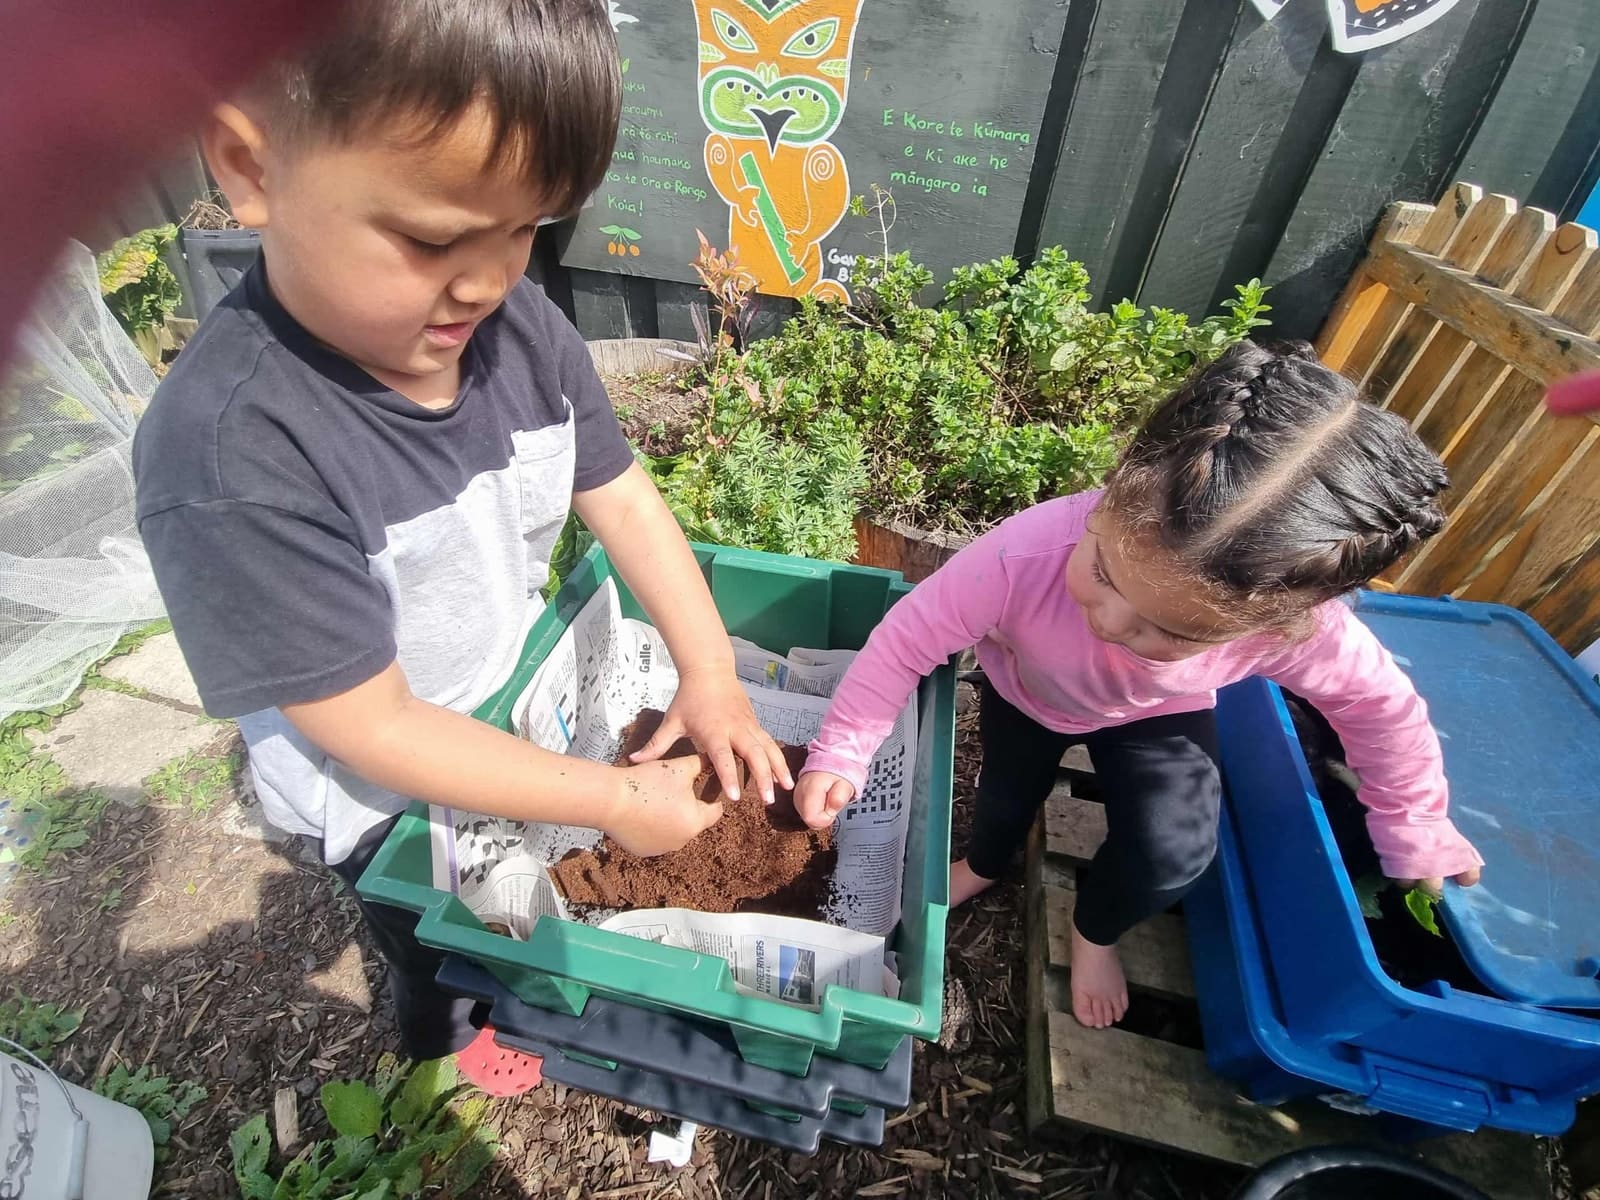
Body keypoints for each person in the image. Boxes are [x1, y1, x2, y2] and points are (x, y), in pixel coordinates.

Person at [132, 0, 792, 1078]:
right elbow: (373, 727)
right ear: (250, 169)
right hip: (379, 792)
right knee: (432, 937)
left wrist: (711, 671)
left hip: (510, 698)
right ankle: (444, 1037)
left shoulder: (517, 330)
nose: (489, 279)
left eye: (529, 226)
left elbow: (619, 493)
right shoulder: (232, 457)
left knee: (513, 887)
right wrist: (620, 803)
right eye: (435, 236)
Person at [794, 340, 1484, 1030]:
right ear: (1118, 483)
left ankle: (1095, 929)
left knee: (1172, 854)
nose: (1110, 620)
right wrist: (843, 750)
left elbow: (1379, 707)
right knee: (1004, 795)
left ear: (1277, 622)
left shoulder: (1294, 628)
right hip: (1027, 696)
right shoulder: (1022, 554)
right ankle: (984, 861)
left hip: (1160, 712)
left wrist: (1414, 819)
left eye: (1172, 630)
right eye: (1102, 571)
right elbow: (906, 639)